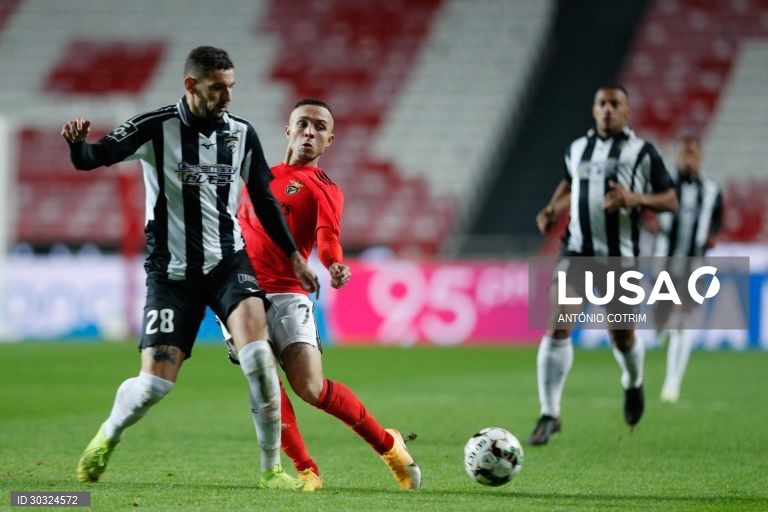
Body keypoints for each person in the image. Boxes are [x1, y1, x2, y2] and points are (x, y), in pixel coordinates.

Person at [61, 46, 319, 490]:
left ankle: (271, 470)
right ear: (191, 85)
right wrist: (77, 144)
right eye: (218, 88)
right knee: (153, 387)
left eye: (231, 87)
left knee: (259, 358)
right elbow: (94, 158)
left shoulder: (240, 134)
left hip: (227, 264)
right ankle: (109, 434)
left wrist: (294, 254)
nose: (227, 97)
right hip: (172, 274)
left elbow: (262, 197)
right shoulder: (154, 127)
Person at [220, 98, 421, 490]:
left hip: (289, 293)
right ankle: (306, 469)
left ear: (330, 140)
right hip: (240, 293)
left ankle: (387, 444)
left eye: (318, 127)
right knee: (264, 379)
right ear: (288, 130)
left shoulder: (322, 188)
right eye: (303, 124)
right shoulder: (255, 177)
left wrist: (333, 264)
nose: (309, 132)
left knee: (310, 388)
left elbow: (327, 238)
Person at [530, 84, 678, 445]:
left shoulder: (642, 153)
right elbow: (570, 183)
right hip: (576, 251)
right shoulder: (578, 148)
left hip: (619, 258)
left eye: (615, 104)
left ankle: (633, 382)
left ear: (627, 112)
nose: (608, 109)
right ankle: (550, 413)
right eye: (601, 103)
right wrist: (552, 210)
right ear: (594, 110)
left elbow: (671, 199)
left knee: (622, 336)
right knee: (558, 323)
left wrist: (634, 197)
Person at [652, 136, 723, 403]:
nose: (688, 160)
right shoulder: (664, 185)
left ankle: (673, 383)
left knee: (683, 320)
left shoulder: (712, 190)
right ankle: (663, 327)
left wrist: (713, 235)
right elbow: (647, 211)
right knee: (661, 319)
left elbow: (716, 220)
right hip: (664, 263)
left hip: (694, 265)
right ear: (677, 157)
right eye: (684, 155)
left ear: (700, 159)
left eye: (692, 155)